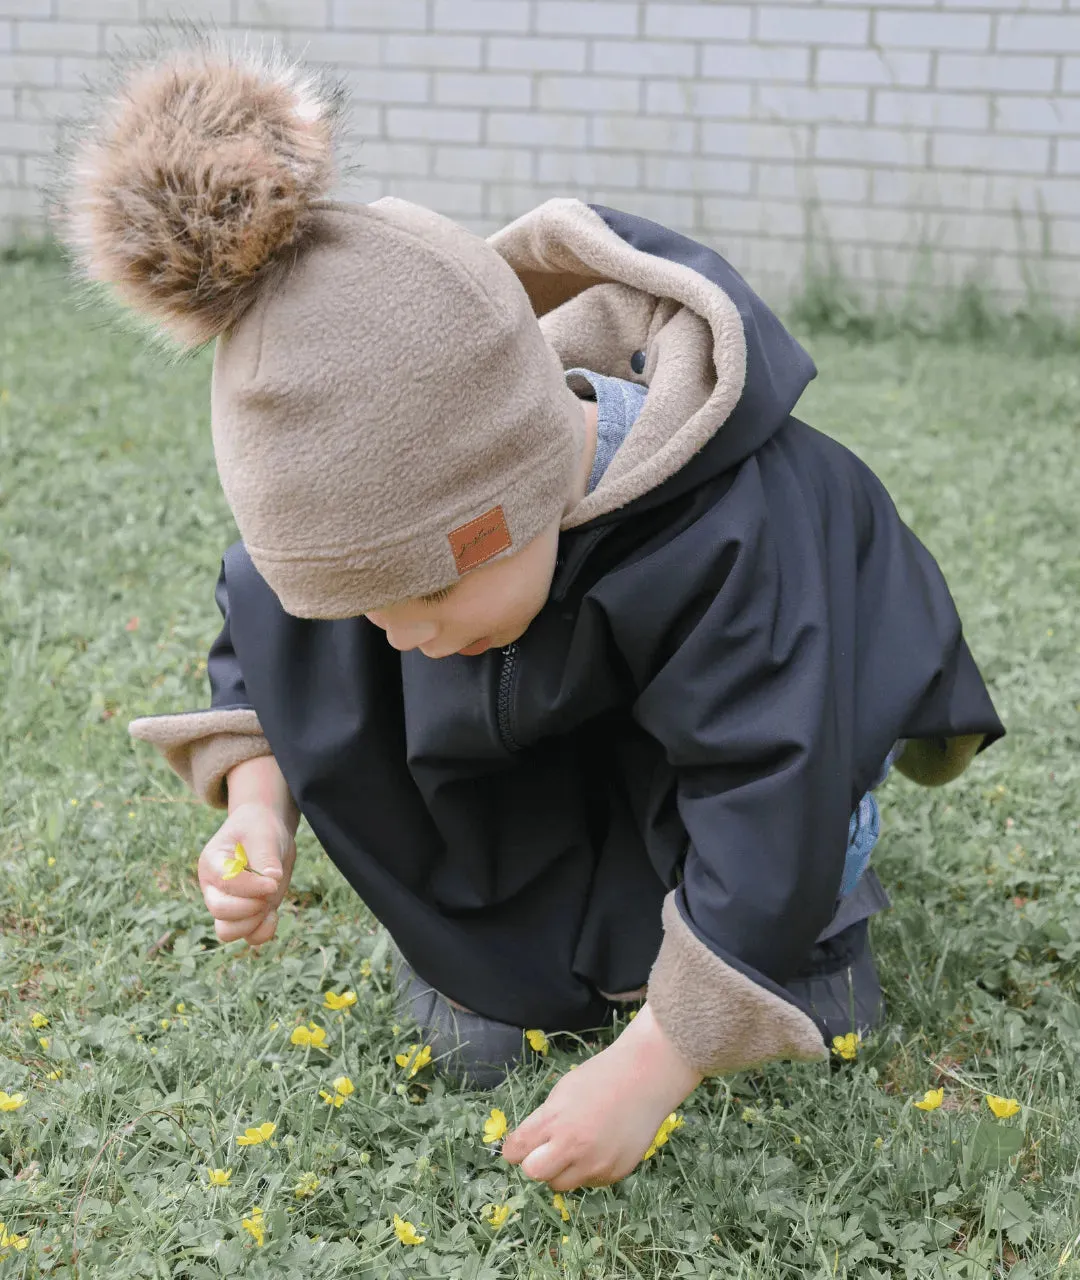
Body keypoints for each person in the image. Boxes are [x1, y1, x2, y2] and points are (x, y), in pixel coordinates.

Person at [57, 39, 1003, 1192]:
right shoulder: (394, 552)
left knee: (808, 987)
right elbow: (270, 625)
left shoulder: (739, 531)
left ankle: (800, 925)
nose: (399, 633)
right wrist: (257, 802)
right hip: (566, 742)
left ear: (505, 500)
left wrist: (660, 1056)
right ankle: (563, 931)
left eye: (428, 592)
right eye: (365, 608)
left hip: (792, 746)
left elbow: (776, 764)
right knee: (477, 1029)